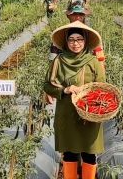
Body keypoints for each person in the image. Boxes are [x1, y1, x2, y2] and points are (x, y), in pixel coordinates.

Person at [44, 21, 106, 179]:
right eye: (71, 40)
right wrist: (65, 89)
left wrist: (87, 93)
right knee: (70, 153)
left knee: (89, 153)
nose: (75, 43)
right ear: (66, 41)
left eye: (79, 39)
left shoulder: (93, 62)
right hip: (67, 113)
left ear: (85, 41)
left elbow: (102, 88)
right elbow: (47, 85)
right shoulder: (58, 61)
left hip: (89, 114)